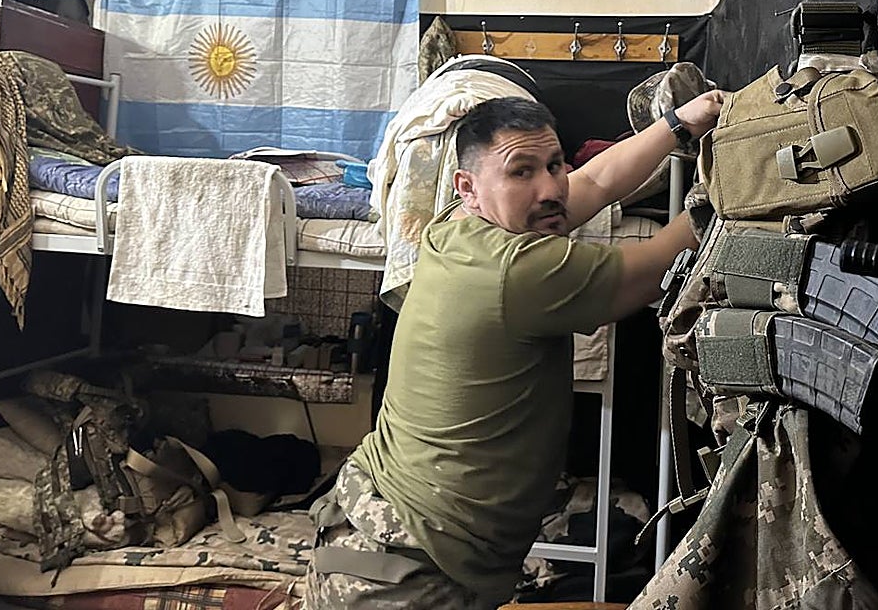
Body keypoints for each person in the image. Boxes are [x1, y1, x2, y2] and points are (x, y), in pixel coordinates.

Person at [305, 90, 726, 609]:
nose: (549, 188)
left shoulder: (457, 227)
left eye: (554, 165)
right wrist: (734, 176)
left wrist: (680, 123)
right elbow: (660, 258)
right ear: (467, 187)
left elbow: (594, 181)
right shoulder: (519, 271)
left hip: (371, 527)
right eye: (521, 172)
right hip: (404, 572)